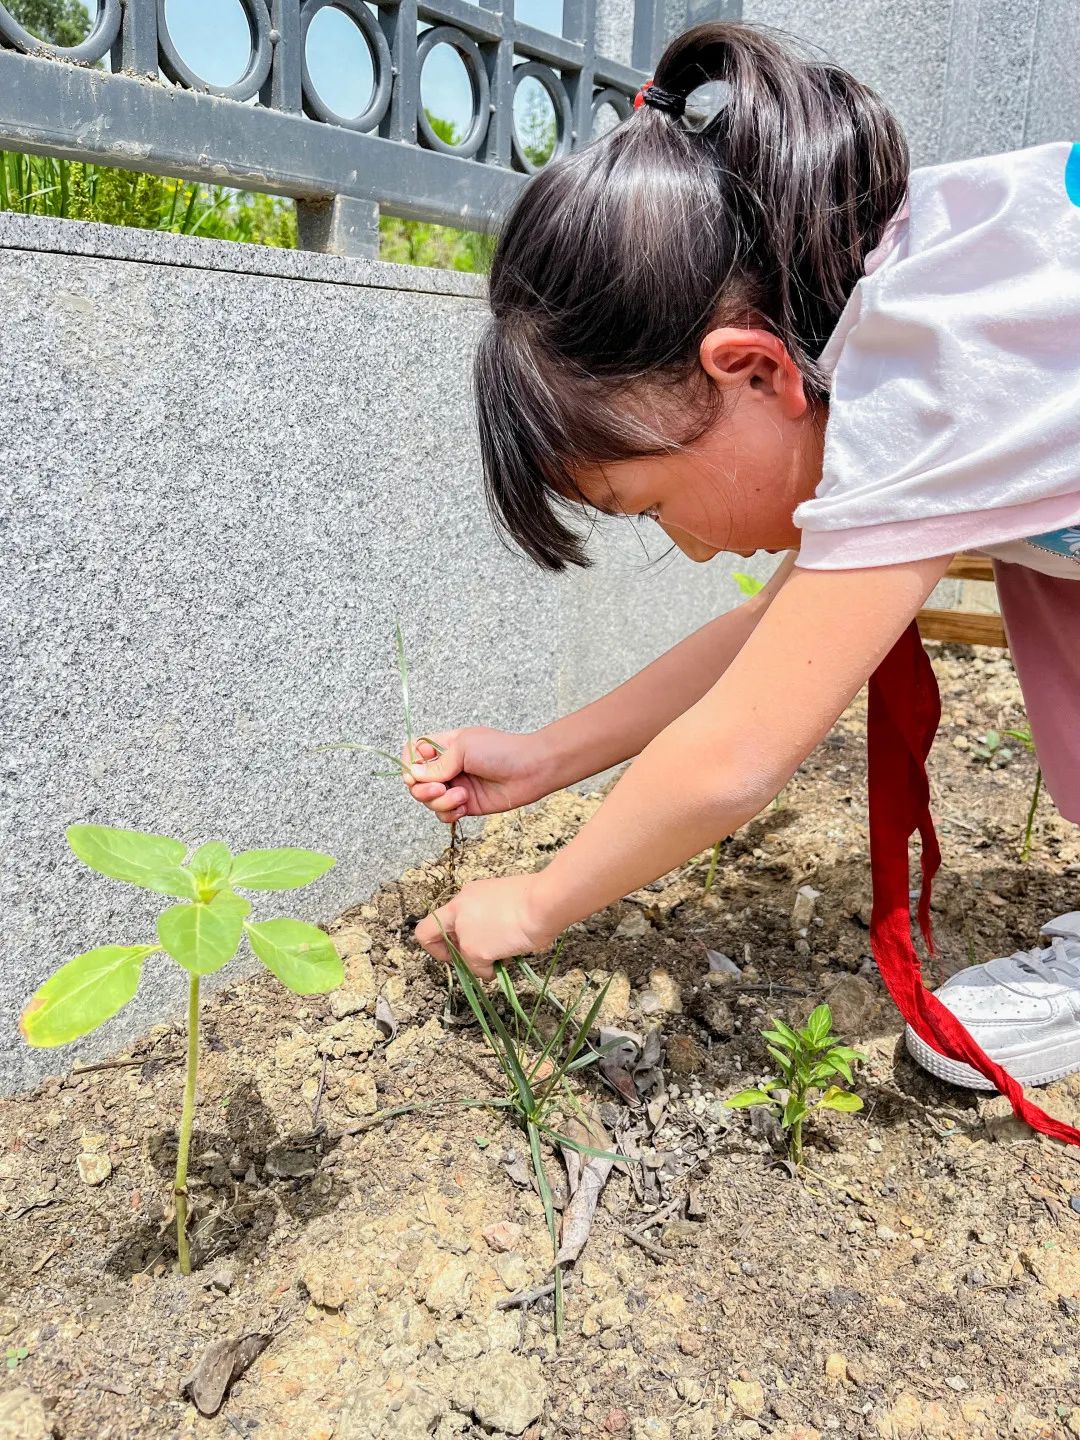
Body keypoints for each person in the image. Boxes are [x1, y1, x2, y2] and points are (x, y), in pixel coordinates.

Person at [404, 22, 1080, 1144]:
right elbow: (782, 640)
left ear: (751, 367)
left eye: (650, 505)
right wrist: (551, 758)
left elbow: (739, 752)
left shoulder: (928, 367)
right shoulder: (916, 288)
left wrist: (534, 903)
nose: (690, 544)